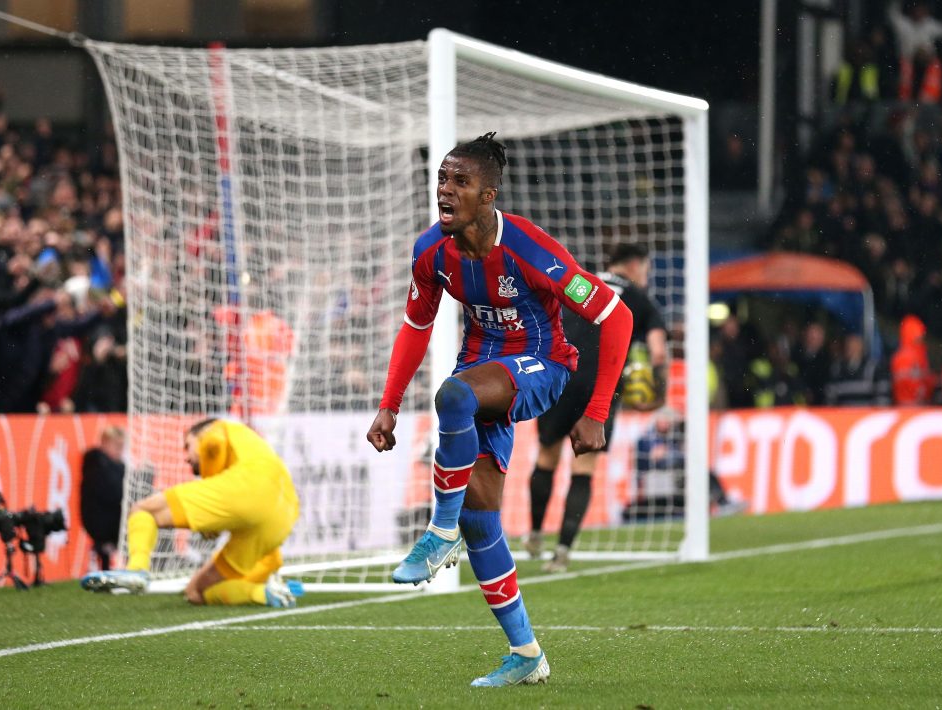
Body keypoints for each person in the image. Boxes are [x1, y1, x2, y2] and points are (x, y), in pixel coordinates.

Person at [366, 132, 633, 687]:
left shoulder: (531, 248)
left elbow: (617, 316)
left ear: (489, 196)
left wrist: (598, 409)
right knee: (481, 519)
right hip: (484, 371)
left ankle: (438, 534)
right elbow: (416, 327)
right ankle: (527, 654)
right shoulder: (431, 253)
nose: (446, 190)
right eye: (442, 178)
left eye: (460, 181)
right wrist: (388, 406)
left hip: (542, 365)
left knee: (454, 395)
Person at [525, 242, 665, 573]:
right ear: (634, 265)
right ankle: (561, 552)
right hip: (600, 384)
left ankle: (533, 535)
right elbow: (658, 353)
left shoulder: (580, 282)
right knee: (584, 466)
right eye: (644, 270)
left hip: (560, 372)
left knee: (547, 455)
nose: (644, 276)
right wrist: (658, 393)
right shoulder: (641, 299)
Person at [81, 418, 302, 608]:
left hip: (250, 487)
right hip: (284, 515)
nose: (186, 458)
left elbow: (215, 443)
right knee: (197, 592)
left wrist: (212, 520)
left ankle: (137, 569)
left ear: (200, 434)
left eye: (188, 446)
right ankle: (263, 593)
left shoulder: (216, 428)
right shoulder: (250, 445)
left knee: (142, 509)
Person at [80, 426, 126, 571]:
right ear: (105, 443)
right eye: (117, 445)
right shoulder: (97, 464)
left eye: (122, 446)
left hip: (110, 515)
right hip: (101, 519)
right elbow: (114, 493)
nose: (120, 450)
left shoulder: (117, 466)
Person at [890, 314, 936, 405]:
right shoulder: (903, 358)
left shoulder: (920, 355)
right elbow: (905, 387)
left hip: (917, 406)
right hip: (908, 406)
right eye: (918, 337)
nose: (921, 340)